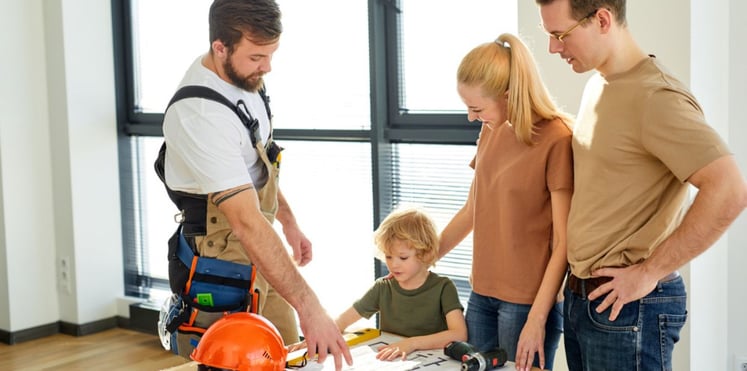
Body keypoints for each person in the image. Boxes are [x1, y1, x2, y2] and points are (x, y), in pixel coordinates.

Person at [535, 1, 747, 370]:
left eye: (559, 35)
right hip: (585, 302)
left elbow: (729, 189)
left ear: (602, 19)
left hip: (629, 311)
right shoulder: (597, 85)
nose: (553, 48)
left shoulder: (656, 97)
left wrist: (647, 273)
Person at [155, 0, 352, 369]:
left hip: (260, 241)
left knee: (288, 355)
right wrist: (313, 308)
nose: (268, 66)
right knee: (233, 359)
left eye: (272, 54)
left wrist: (288, 222)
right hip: (222, 254)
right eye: (258, 56)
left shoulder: (243, 80)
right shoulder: (201, 113)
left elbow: (254, 166)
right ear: (220, 47)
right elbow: (244, 220)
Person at [438, 33, 574, 371]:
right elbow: (473, 210)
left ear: (509, 95)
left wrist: (537, 319)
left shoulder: (557, 138)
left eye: (476, 108)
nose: (471, 118)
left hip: (527, 304)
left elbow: (564, 243)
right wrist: (423, 259)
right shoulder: (491, 129)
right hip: (481, 294)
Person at [334, 206, 468, 361]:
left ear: (425, 253)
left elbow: (459, 334)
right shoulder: (383, 287)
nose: (393, 265)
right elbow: (342, 321)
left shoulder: (444, 288)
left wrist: (412, 343)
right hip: (392, 362)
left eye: (403, 258)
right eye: (389, 257)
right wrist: (319, 338)